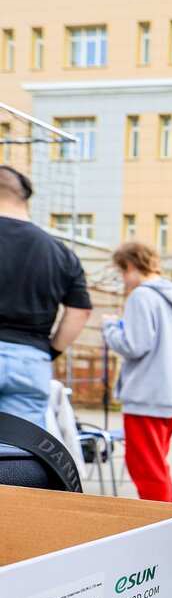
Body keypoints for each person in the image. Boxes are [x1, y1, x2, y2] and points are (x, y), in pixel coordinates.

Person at [101, 242, 172, 501]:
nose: (123, 281)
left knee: (146, 471)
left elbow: (134, 345)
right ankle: (167, 519)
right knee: (157, 467)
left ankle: (163, 522)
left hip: (145, 397)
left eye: (121, 273)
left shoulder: (142, 296)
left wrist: (110, 329)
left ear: (130, 265)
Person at [0, 166, 92, 427]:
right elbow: (80, 311)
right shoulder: (59, 251)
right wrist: (50, 350)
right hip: (31, 360)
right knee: (19, 446)